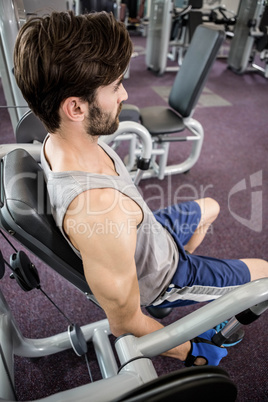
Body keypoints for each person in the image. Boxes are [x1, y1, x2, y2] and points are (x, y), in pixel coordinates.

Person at [13, 10, 268, 367]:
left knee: (211, 206)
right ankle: (172, 290)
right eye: (116, 86)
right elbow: (124, 322)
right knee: (265, 277)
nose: (125, 94)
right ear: (75, 107)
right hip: (160, 270)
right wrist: (191, 352)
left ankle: (168, 298)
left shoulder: (57, 137)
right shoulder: (100, 212)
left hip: (151, 232)